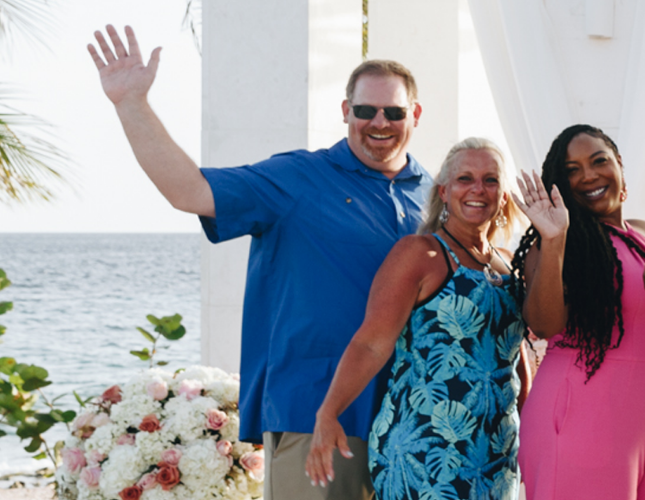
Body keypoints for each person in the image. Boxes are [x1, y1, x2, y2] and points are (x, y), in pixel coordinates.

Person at [89, 25, 424, 499]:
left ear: (416, 114)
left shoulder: (438, 194)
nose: (380, 123)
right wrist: (131, 104)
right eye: (366, 111)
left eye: (394, 112)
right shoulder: (297, 177)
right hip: (315, 413)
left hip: (415, 419)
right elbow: (190, 191)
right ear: (346, 111)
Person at [513, 124, 645, 500]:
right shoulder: (556, 245)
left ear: (620, 168)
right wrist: (553, 241)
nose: (589, 175)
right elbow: (544, 325)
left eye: (599, 161)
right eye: (572, 170)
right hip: (579, 424)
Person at [302, 138, 527, 499]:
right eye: (465, 179)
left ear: (503, 194)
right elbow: (371, 343)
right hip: (424, 447)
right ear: (444, 190)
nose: (477, 189)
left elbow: (512, 353)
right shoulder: (420, 253)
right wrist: (327, 414)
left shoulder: (508, 263)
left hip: (495, 451)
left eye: (491, 180)